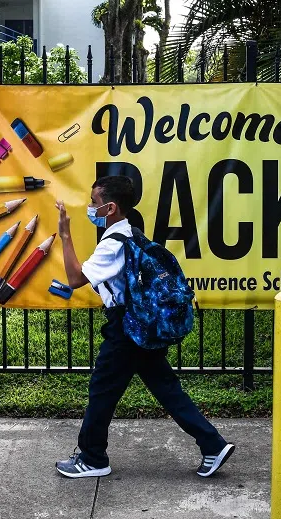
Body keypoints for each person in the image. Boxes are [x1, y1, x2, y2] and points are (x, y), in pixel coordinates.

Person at [54, 175, 235, 478]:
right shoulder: (133, 234)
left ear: (110, 207)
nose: (90, 207)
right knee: (167, 389)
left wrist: (65, 235)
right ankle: (212, 445)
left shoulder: (112, 244)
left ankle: (92, 458)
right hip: (143, 324)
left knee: (102, 390)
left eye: (94, 202)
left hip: (126, 329)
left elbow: (74, 280)